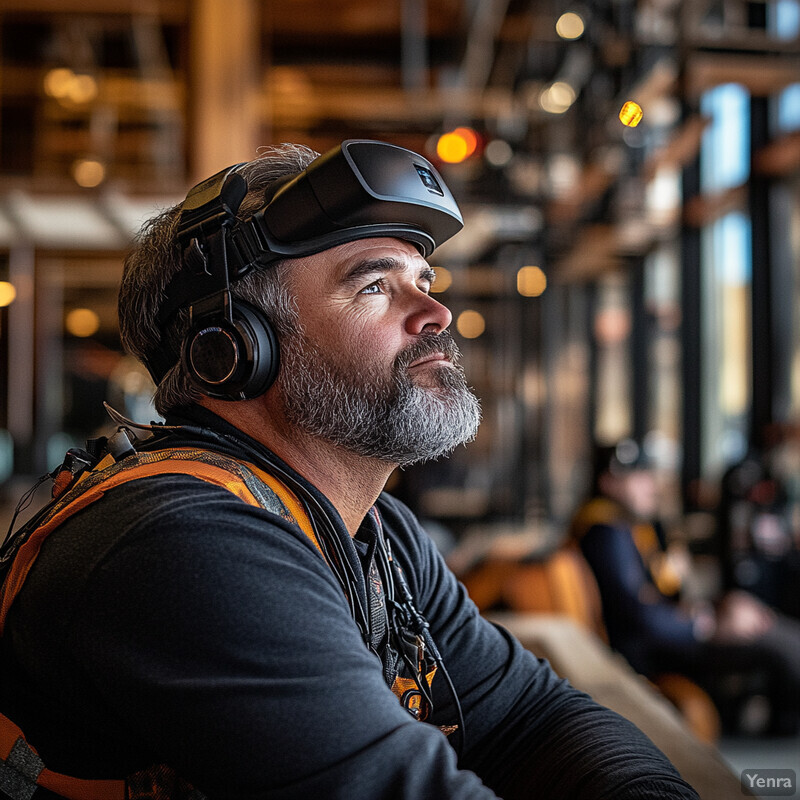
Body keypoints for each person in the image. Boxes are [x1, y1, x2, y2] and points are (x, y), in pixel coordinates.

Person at [0, 141, 700, 800]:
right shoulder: (181, 544)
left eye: (423, 279)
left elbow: (529, 717)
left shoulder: (375, 532)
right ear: (236, 348)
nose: (436, 312)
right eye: (374, 286)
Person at [571, 438, 800, 734]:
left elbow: (658, 597)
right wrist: (708, 622)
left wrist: (718, 608)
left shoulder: (630, 527)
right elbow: (639, 617)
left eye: (648, 475)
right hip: (650, 653)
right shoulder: (606, 531)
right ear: (608, 483)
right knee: (779, 642)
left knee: (772, 630)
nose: (649, 484)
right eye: (637, 477)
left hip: (666, 638)